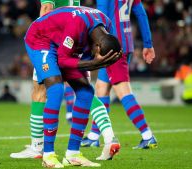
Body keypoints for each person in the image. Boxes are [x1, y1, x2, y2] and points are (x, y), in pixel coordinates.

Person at [11, 0, 120, 161]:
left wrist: (94, 62)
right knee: (55, 90)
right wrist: (92, 63)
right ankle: (48, 155)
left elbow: (86, 55)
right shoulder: (78, 24)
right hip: (41, 39)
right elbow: (62, 61)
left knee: (86, 92)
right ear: (97, 47)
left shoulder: (107, 25)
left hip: (67, 42)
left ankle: (73, 155)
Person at [82, 0, 157, 149]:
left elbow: (100, 17)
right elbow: (141, 13)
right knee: (101, 88)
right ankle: (94, 136)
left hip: (111, 46)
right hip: (125, 42)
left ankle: (147, 136)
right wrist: (148, 44)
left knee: (123, 91)